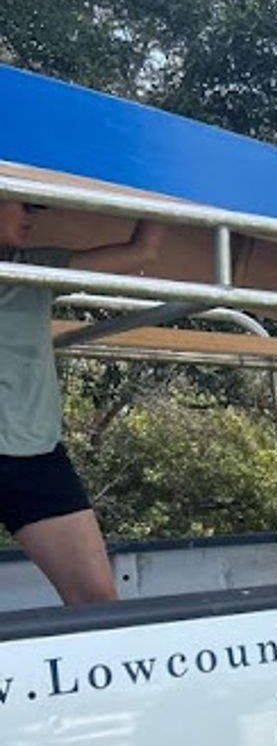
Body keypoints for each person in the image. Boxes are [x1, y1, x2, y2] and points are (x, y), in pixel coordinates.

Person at [1, 199, 162, 605]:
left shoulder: (32, 269)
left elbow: (141, 252)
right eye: (24, 205)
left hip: (32, 459)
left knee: (97, 603)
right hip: (27, 456)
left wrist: (164, 187)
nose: (32, 218)